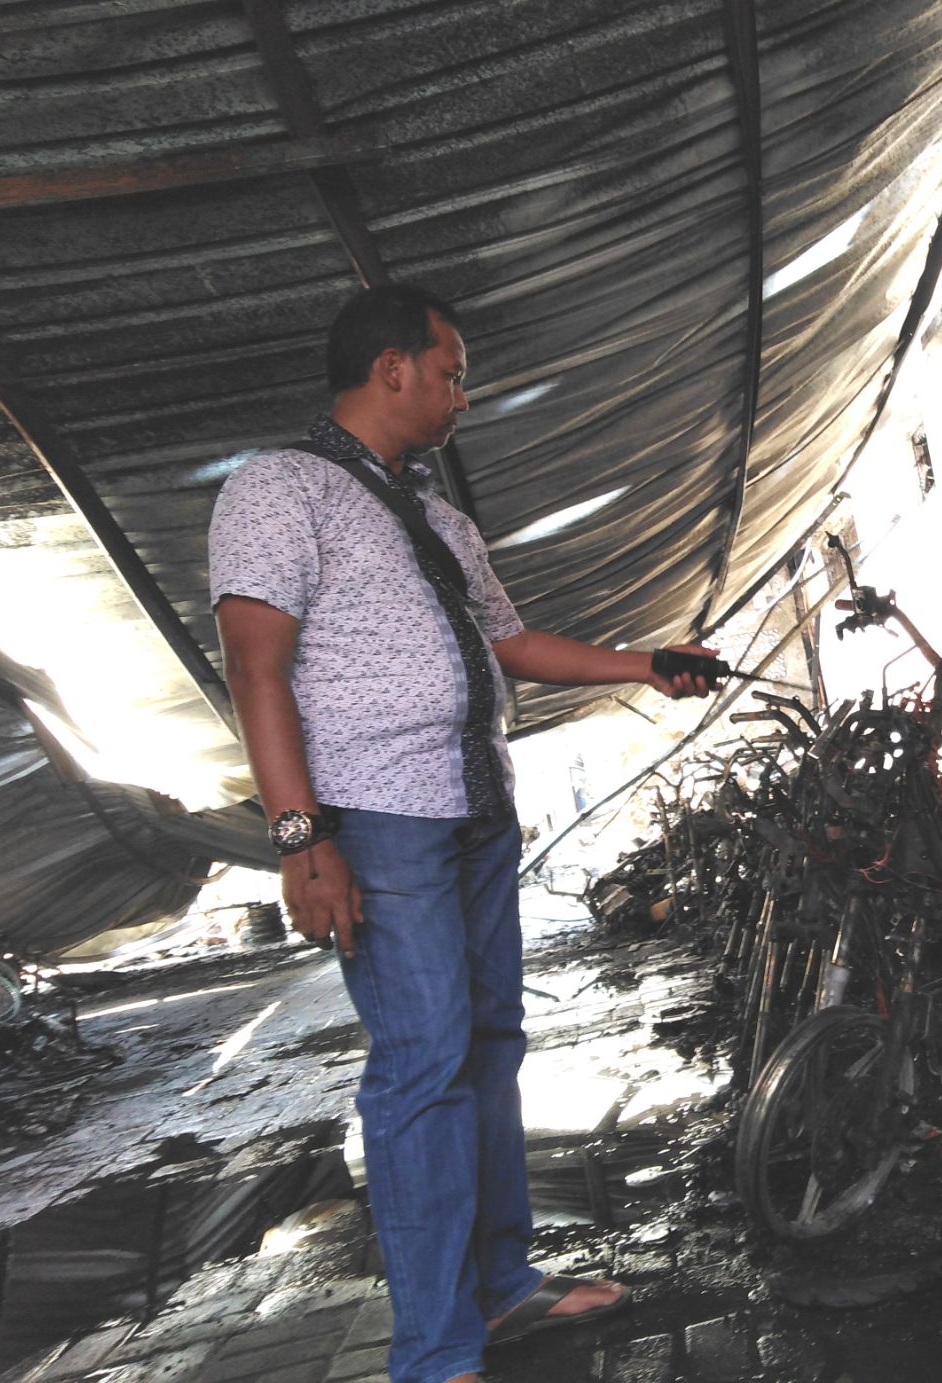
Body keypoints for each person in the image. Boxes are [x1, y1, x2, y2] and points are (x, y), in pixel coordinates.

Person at [207, 283, 713, 1383]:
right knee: (423, 1069)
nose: (460, 394)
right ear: (392, 368)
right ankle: (436, 1353)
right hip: (377, 822)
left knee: (489, 1051)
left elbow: (512, 644)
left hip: (472, 807)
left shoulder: (439, 516)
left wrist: (645, 663)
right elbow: (256, 667)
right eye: (451, 371)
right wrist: (302, 839)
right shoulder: (277, 489)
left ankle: (501, 1289)